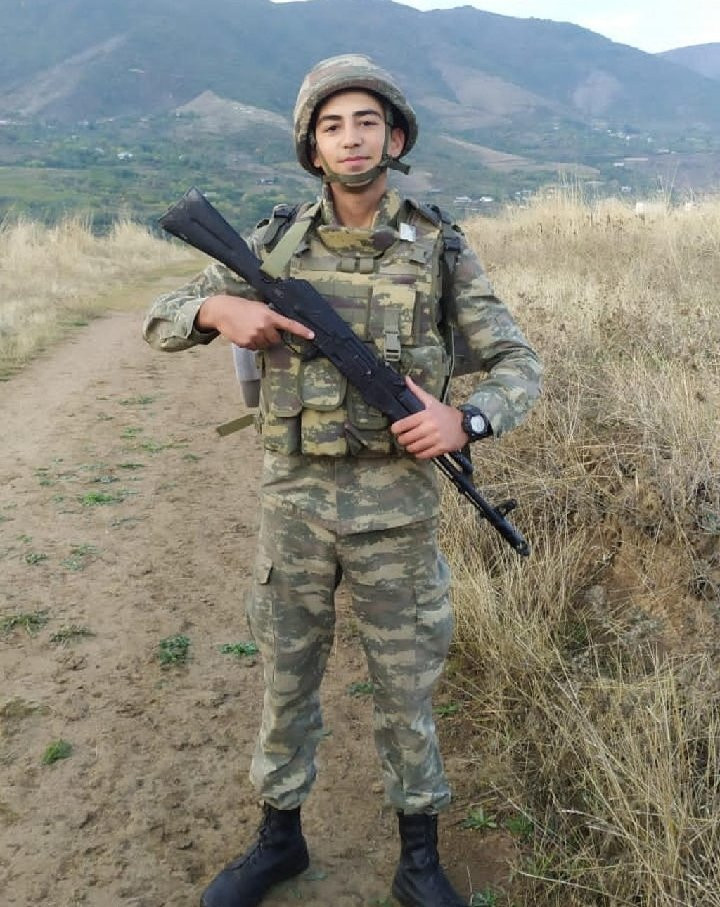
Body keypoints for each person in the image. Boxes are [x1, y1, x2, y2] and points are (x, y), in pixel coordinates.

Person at [143, 54, 541, 907]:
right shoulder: (272, 242)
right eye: (332, 125)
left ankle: (419, 858)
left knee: (406, 687)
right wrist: (218, 310)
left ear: (394, 138)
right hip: (295, 505)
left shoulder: (440, 248)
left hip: (398, 512)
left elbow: (519, 362)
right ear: (311, 146)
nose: (351, 137)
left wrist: (465, 421)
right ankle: (278, 837)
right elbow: (161, 316)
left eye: (367, 122)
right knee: (287, 675)